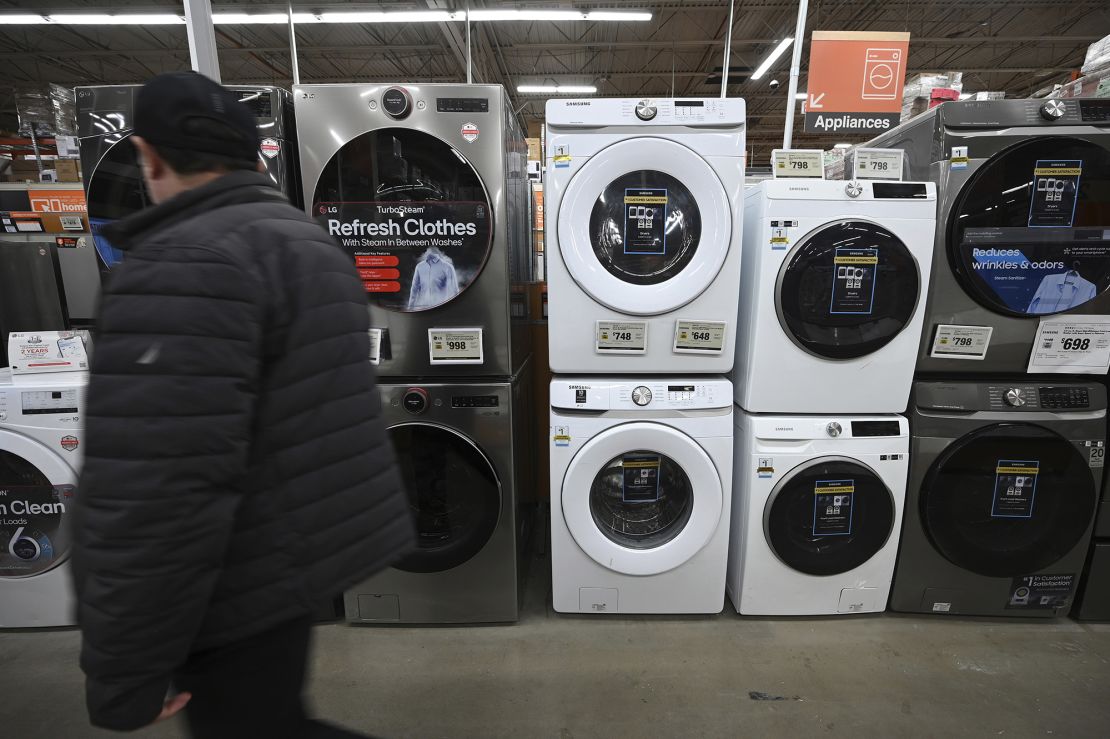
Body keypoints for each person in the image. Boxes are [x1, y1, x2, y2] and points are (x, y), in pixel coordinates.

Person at [72, 72, 415, 737]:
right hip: (294, 562)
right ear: (252, 150)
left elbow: (153, 487)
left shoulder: (180, 263)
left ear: (146, 155)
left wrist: (124, 668)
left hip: (228, 580)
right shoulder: (309, 243)